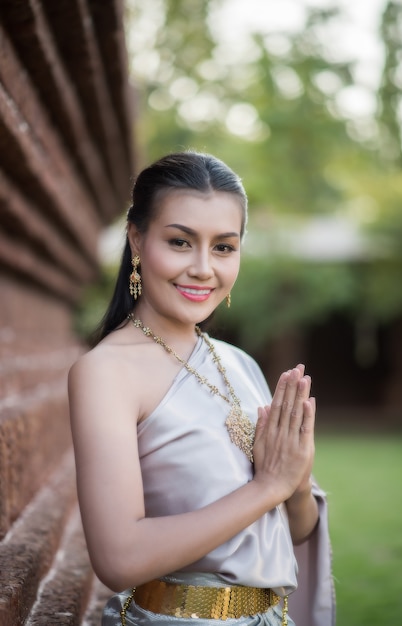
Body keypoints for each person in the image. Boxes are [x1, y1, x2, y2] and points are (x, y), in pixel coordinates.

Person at [68, 151, 335, 626]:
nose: (203, 268)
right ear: (136, 238)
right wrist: (267, 486)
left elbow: (294, 530)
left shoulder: (241, 365)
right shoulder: (106, 372)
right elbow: (117, 558)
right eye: (180, 242)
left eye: (224, 247)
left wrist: (295, 482)